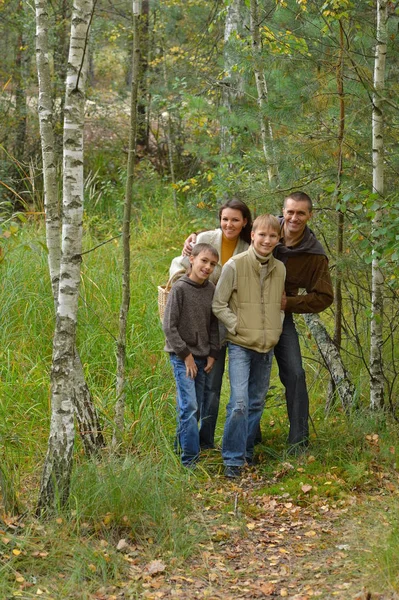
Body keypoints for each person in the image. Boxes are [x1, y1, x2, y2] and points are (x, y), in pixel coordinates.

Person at [183, 191, 334, 452]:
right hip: (238, 315)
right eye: (290, 212)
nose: (294, 217)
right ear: (282, 213)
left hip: (278, 318)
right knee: (230, 386)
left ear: (310, 215)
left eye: (301, 213)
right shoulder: (264, 228)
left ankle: (297, 441)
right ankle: (238, 441)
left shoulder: (313, 254)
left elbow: (324, 296)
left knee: (294, 374)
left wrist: (290, 303)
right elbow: (229, 227)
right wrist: (194, 240)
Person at [169, 198, 253, 450]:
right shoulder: (205, 237)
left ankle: (205, 441)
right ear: (219, 219)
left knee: (213, 389)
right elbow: (183, 264)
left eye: (235, 219)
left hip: (221, 324)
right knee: (191, 396)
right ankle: (185, 445)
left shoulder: (248, 247)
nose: (229, 224)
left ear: (244, 222)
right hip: (194, 321)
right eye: (225, 218)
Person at [212, 214, 285, 478]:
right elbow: (218, 304)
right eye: (262, 234)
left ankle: (246, 454)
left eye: (272, 236)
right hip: (241, 345)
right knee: (239, 402)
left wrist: (276, 326)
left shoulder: (280, 269)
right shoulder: (234, 265)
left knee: (255, 403)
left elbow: (279, 305)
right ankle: (232, 460)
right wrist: (237, 326)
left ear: (279, 239)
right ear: (252, 235)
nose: (267, 240)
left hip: (267, 347)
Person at [163, 243, 220, 467]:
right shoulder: (180, 288)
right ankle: (189, 461)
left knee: (194, 408)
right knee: (190, 407)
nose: (207, 267)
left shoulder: (211, 289)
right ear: (192, 259)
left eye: (212, 264)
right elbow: (169, 326)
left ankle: (179, 449)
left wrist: (213, 352)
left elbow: (214, 325)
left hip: (202, 356)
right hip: (182, 357)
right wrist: (185, 355)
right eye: (204, 261)